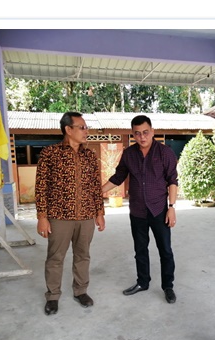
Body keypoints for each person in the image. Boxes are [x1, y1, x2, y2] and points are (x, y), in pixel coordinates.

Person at [101, 115, 178, 304]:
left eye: (145, 132)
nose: (142, 137)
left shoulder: (165, 153)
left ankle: (168, 286)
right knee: (140, 249)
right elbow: (118, 177)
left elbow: (172, 180)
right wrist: (98, 191)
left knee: (165, 250)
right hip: (137, 211)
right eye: (137, 133)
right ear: (133, 134)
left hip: (159, 210)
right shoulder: (129, 154)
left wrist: (172, 207)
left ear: (152, 131)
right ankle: (143, 282)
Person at [35, 111, 105, 316]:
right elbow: (41, 187)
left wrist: (99, 212)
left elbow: (95, 186)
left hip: (86, 216)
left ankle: (81, 291)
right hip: (59, 217)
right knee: (55, 257)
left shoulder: (89, 155)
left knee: (83, 255)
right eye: (82, 127)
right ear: (68, 129)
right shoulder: (50, 154)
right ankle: (53, 296)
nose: (86, 131)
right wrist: (42, 217)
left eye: (86, 127)